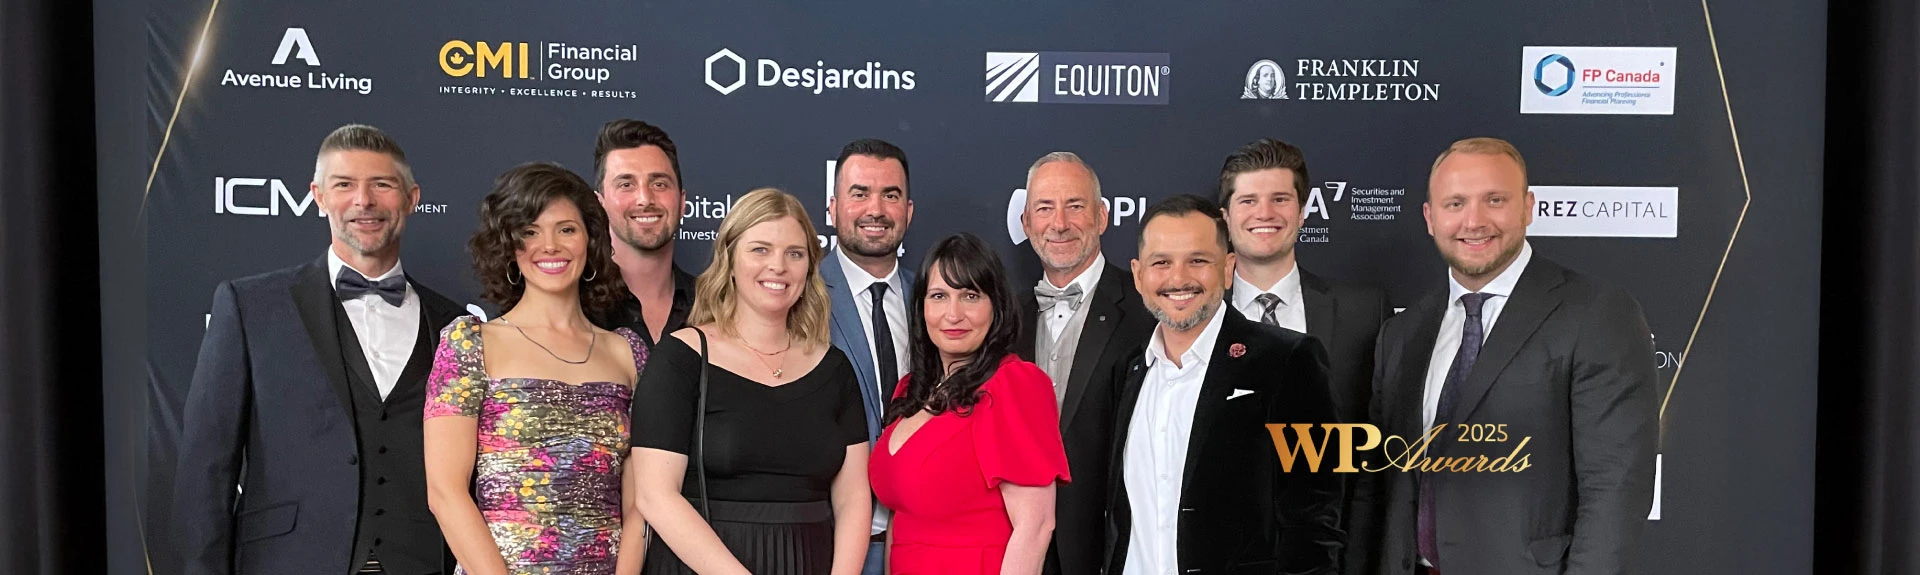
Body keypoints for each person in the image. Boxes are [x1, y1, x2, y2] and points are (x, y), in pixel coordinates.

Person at [1353, 138, 1656, 575]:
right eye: (1455, 204)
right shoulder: (1403, 332)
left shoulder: (1595, 313)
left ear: (1527, 207)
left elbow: (1616, 489)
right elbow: (1381, 484)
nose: (1474, 221)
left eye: (1494, 200)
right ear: (1430, 218)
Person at [171, 124, 464, 574]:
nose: (363, 200)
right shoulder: (250, 306)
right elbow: (206, 469)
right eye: (344, 185)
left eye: (382, 185)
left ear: (411, 198)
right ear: (318, 197)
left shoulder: (453, 324)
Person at [630, 188, 873, 575]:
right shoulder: (681, 358)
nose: (778, 266)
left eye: (795, 254)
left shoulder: (834, 369)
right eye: (760, 249)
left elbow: (854, 497)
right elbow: (655, 495)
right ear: (729, 260)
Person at [423, 163, 649, 575]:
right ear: (509, 246)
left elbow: (641, 504)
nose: (550, 246)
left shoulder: (628, 353)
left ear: (590, 240)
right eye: (530, 231)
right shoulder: (469, 344)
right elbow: (445, 492)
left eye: (566, 229)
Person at [1107, 195, 1343, 575]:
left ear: (1228, 268)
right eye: (1161, 262)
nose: (1178, 278)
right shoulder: (1129, 371)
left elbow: (1315, 522)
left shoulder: (1289, 360)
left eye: (1198, 261)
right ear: (1138, 275)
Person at [1214, 139, 1392, 574]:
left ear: (1303, 211)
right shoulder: (1196, 316)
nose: (1265, 213)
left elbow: (1373, 460)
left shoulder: (1362, 312)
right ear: (1226, 217)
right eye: (1248, 200)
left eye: (1280, 199)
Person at [871, 233, 1071, 575]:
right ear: (921, 307)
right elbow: (900, 522)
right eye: (939, 296)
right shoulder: (909, 390)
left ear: (996, 306)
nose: (953, 314)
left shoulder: (1014, 384)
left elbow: (1036, 527)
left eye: (970, 296)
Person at [1010, 152, 1152, 575]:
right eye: (1044, 208)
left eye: (1075, 205)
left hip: (1112, 550)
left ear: (1102, 216)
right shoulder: (1004, 320)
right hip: (1019, 547)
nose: (1059, 223)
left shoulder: (1147, 310)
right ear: (1026, 223)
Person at [816, 138, 914, 573]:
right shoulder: (799, 295)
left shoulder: (935, 300)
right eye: (860, 194)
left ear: (908, 211)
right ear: (833, 208)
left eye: (890, 195)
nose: (876, 209)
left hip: (920, 543)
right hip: (827, 547)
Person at [592, 119, 696, 345]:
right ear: (600, 204)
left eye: (659, 184)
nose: (645, 199)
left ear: (682, 202)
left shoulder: (716, 307)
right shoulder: (577, 307)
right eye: (626, 185)